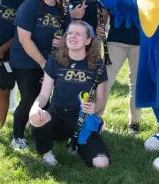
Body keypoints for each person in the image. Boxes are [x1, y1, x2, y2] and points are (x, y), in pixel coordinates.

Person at [28, 21, 110, 168]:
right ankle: (47, 155)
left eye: (79, 34)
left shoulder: (98, 65)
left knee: (101, 163)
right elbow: (44, 96)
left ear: (88, 40)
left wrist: (94, 107)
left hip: (82, 118)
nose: (73, 36)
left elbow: (101, 100)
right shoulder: (54, 61)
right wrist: (35, 107)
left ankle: (78, 143)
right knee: (37, 119)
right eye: (70, 33)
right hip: (57, 116)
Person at [9, 0, 70, 150]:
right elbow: (24, 39)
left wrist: (62, 41)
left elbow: (67, 35)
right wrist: (43, 64)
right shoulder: (30, 5)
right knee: (29, 97)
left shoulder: (61, 9)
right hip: (25, 60)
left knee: (45, 100)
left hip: (48, 60)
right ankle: (17, 137)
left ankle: (37, 128)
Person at [96, 0, 141, 134]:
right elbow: (104, 13)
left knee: (137, 84)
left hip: (140, 43)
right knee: (105, 81)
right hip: (115, 41)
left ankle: (134, 123)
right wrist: (100, 26)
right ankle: (95, 119)